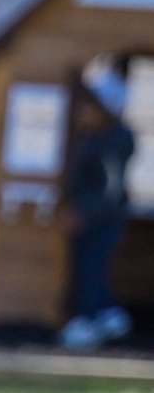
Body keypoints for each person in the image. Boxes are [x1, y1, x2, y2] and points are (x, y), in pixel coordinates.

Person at [58, 67, 136, 353]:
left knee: (91, 270)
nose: (82, 112)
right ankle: (107, 315)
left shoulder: (110, 142)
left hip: (101, 221)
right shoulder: (97, 138)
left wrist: (83, 213)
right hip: (97, 218)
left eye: (89, 106)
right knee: (90, 269)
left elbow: (108, 188)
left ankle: (90, 324)